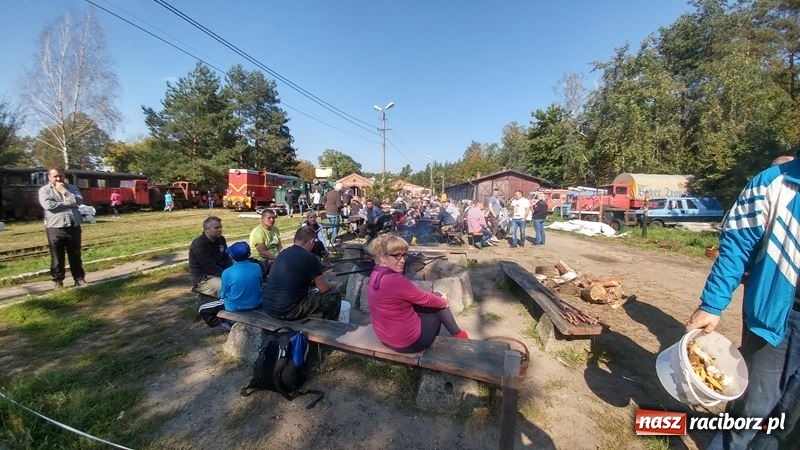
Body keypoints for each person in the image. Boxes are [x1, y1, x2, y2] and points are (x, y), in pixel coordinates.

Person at [684, 153, 800, 450]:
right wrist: (712, 304)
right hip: (777, 319)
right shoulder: (774, 183)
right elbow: (737, 246)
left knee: (789, 425)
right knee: (750, 410)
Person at [366, 234, 468, 353]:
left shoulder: (376, 273)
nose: (402, 260)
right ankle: (461, 339)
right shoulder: (395, 280)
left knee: (433, 298)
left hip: (385, 338)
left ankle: (459, 336)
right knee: (438, 300)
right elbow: (426, 299)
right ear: (383, 257)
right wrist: (443, 302)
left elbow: (416, 296)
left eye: (404, 255)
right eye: (397, 256)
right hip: (408, 343)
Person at [262, 226, 341, 321]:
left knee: (310, 289)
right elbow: (323, 288)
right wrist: (333, 285)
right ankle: (329, 325)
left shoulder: (283, 253)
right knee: (334, 294)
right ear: (312, 241)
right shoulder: (310, 257)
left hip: (268, 307)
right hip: (288, 311)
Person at [38, 166, 86, 288]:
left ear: (64, 176)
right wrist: (68, 204)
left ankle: (79, 278)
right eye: (55, 176)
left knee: (75, 255)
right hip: (55, 227)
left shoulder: (72, 188)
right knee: (57, 256)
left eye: (61, 176)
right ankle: (58, 281)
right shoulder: (44, 190)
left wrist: (64, 191)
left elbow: (78, 202)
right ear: (49, 177)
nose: (59, 179)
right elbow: (48, 205)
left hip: (73, 225)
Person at [198, 241, 262, 330]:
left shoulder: (227, 272)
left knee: (203, 308)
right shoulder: (256, 267)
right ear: (249, 254)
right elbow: (260, 283)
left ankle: (222, 323)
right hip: (257, 302)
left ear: (231, 256)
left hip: (235, 306)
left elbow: (223, 293)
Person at [188, 216, 231, 298]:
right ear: (206, 230)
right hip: (204, 279)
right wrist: (230, 275)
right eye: (216, 228)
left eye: (221, 227)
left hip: (220, 273)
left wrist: (233, 271)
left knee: (241, 281)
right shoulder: (199, 244)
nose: (220, 230)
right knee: (230, 288)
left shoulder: (221, 239)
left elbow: (227, 258)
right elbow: (210, 268)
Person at [248, 209, 282, 277]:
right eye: (269, 218)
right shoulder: (258, 232)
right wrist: (278, 259)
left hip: (274, 258)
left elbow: (279, 247)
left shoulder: (275, 229)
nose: (272, 220)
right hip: (260, 260)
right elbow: (263, 253)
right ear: (262, 219)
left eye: (273, 218)